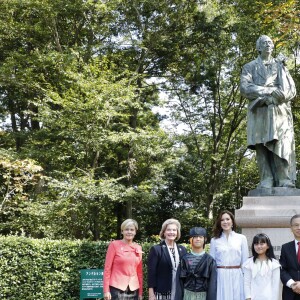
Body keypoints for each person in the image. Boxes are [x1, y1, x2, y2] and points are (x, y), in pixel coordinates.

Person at [240, 35, 297, 189]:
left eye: (270, 42)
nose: (268, 44)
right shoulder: (249, 67)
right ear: (258, 47)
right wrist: (269, 91)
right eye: (264, 43)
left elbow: (291, 90)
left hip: (279, 112)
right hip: (259, 111)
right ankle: (266, 179)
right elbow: (245, 88)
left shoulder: (280, 66)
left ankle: (283, 178)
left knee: (280, 144)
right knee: (261, 145)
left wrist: (280, 96)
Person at [209, 210, 249, 300]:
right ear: (219, 223)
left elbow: (245, 261)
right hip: (220, 275)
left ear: (232, 221)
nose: (225, 222)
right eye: (222, 220)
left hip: (237, 275)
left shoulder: (241, 238)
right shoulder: (214, 240)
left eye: (228, 219)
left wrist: (246, 280)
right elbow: (212, 262)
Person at [103, 219, 143, 300]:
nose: (129, 232)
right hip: (116, 288)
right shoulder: (114, 245)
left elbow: (139, 272)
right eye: (126, 229)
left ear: (135, 232)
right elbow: (107, 269)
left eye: (132, 230)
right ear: (122, 231)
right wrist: (106, 290)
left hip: (134, 289)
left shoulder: (138, 247)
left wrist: (140, 292)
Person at [148, 218, 187, 300]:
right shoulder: (156, 249)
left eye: (174, 230)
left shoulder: (182, 249)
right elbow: (151, 273)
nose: (171, 232)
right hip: (162, 292)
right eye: (168, 230)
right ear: (164, 232)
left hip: (179, 290)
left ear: (177, 233)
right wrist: (151, 294)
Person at [179, 227, 217, 300]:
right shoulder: (184, 258)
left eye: (201, 237)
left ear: (205, 239)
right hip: (187, 295)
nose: (198, 239)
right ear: (191, 240)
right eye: (195, 237)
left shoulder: (210, 260)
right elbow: (180, 282)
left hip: (203, 295)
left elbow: (212, 284)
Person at [242, 233, 281, 300]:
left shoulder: (274, 264)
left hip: (269, 297)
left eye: (262, 244)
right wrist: (248, 297)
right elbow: (246, 283)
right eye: (256, 244)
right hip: (253, 297)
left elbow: (276, 286)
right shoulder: (249, 263)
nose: (259, 246)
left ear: (268, 246)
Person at [280, 214, 300, 300]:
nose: (299, 227)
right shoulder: (285, 247)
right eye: (296, 225)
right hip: (290, 292)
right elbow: (282, 269)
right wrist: (292, 284)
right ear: (291, 228)